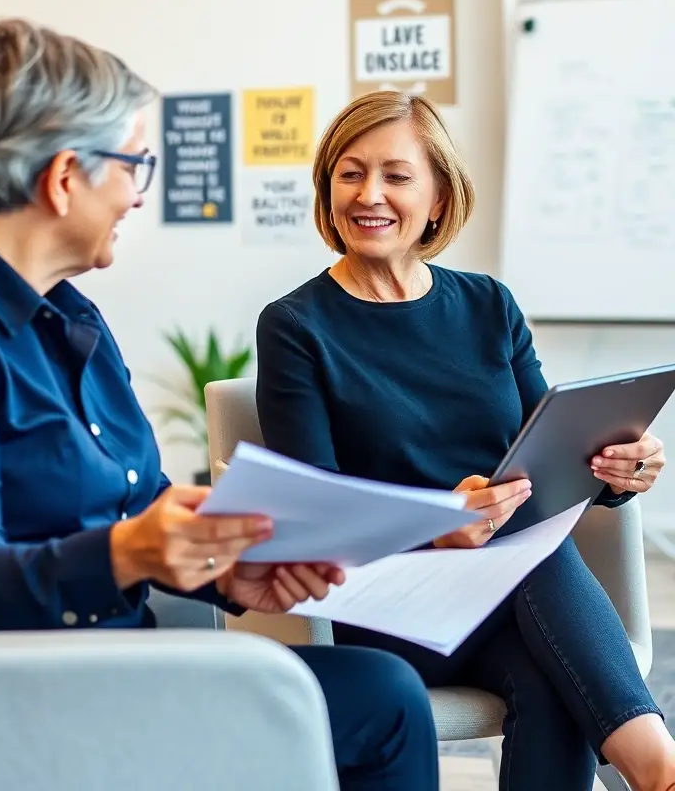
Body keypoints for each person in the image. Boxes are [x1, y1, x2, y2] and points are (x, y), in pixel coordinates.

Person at [0, 20, 440, 791]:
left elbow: (142, 500)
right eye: (133, 163)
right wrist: (131, 553)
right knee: (378, 700)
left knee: (382, 694)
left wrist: (230, 570)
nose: (137, 191)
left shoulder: (74, 318)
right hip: (14, 698)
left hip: (121, 661)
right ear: (64, 178)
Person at [256, 89, 675, 791]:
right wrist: (437, 527)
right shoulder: (296, 325)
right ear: (328, 190)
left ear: (440, 198)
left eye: (396, 175)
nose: (370, 194)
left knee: (548, 666)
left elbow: (551, 452)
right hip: (385, 606)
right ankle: (656, 764)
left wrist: (616, 471)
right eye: (350, 173)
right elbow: (315, 516)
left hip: (504, 598)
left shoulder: (488, 305)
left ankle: (656, 764)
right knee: (533, 568)